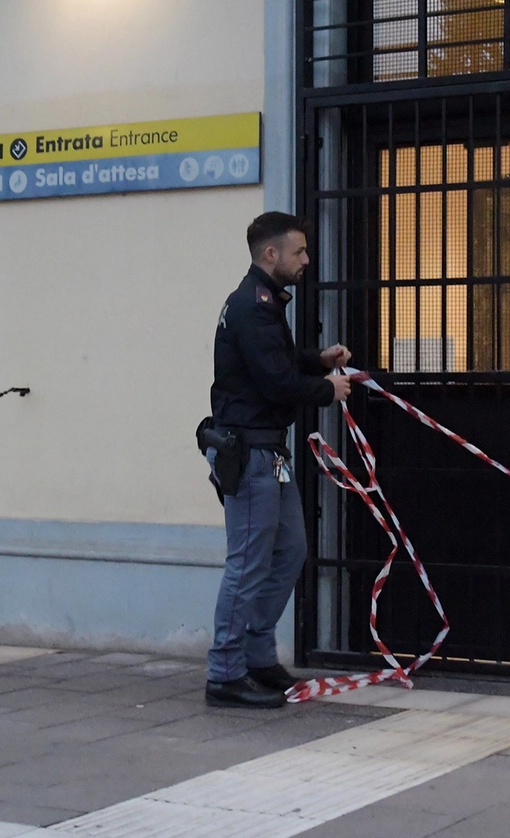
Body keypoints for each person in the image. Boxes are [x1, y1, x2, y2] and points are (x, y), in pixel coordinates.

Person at [203, 211, 351, 708]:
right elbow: (275, 382)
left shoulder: (264, 304)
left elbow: (277, 362)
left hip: (270, 452)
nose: (307, 259)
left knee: (290, 552)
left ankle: (258, 657)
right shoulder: (250, 305)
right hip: (250, 453)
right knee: (246, 564)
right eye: (299, 251)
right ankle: (225, 673)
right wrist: (327, 391)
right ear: (271, 254)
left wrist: (318, 359)